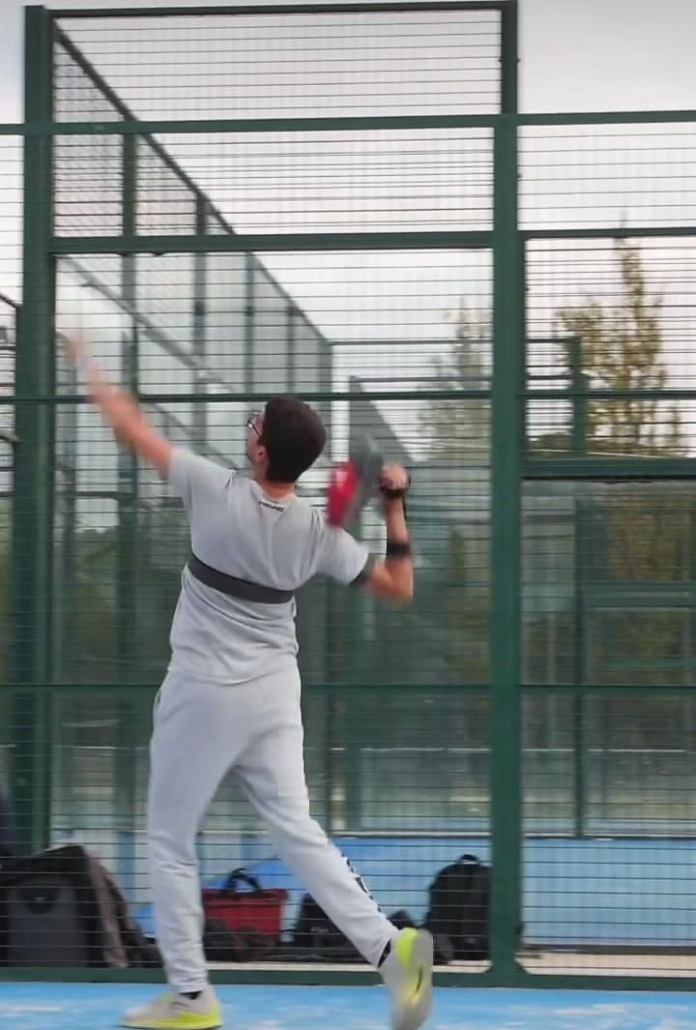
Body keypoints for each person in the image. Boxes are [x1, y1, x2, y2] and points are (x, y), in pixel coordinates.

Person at [66, 335, 433, 1030]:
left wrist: (87, 361)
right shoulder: (321, 534)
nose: (249, 429)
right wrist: (392, 506)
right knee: (297, 831)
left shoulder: (211, 486)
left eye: (255, 425)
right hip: (273, 693)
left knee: (171, 841)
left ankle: (192, 998)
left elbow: (127, 423)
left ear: (262, 452)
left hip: (202, 691)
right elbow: (399, 584)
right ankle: (393, 950)